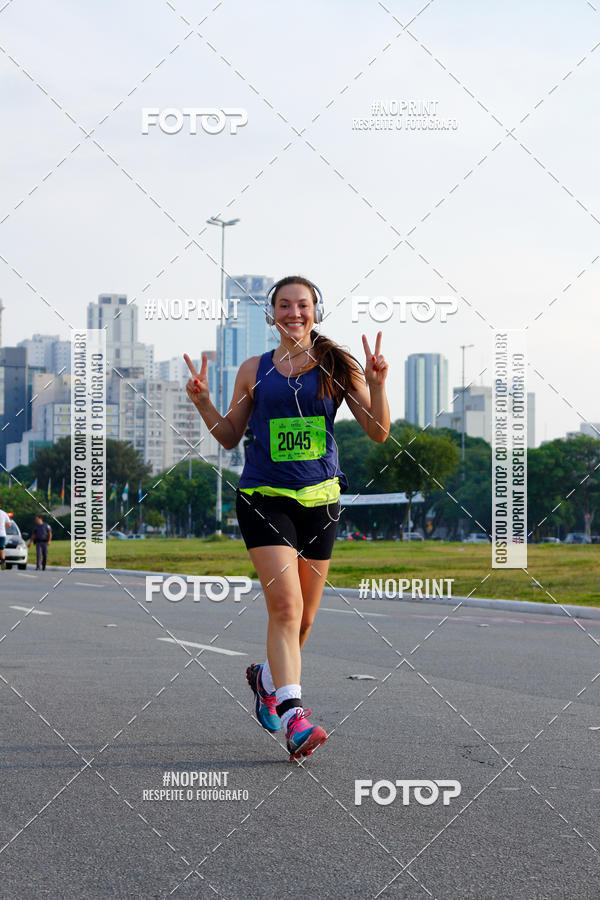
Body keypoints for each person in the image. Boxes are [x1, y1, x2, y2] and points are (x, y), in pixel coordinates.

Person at [184, 275, 389, 760]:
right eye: (284, 305)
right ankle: (296, 717)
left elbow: (378, 431)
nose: (293, 313)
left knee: (305, 620)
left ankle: (266, 681)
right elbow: (229, 436)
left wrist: (378, 385)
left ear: (316, 311)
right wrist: (203, 403)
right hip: (264, 498)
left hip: (321, 501)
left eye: (302, 305)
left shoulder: (337, 365)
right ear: (271, 313)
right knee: (286, 608)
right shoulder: (253, 370)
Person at [0, 505, 11, 570]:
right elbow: (9, 524)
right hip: (2, 534)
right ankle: (3, 563)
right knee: (1, 549)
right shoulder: (4, 513)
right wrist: (3, 527)